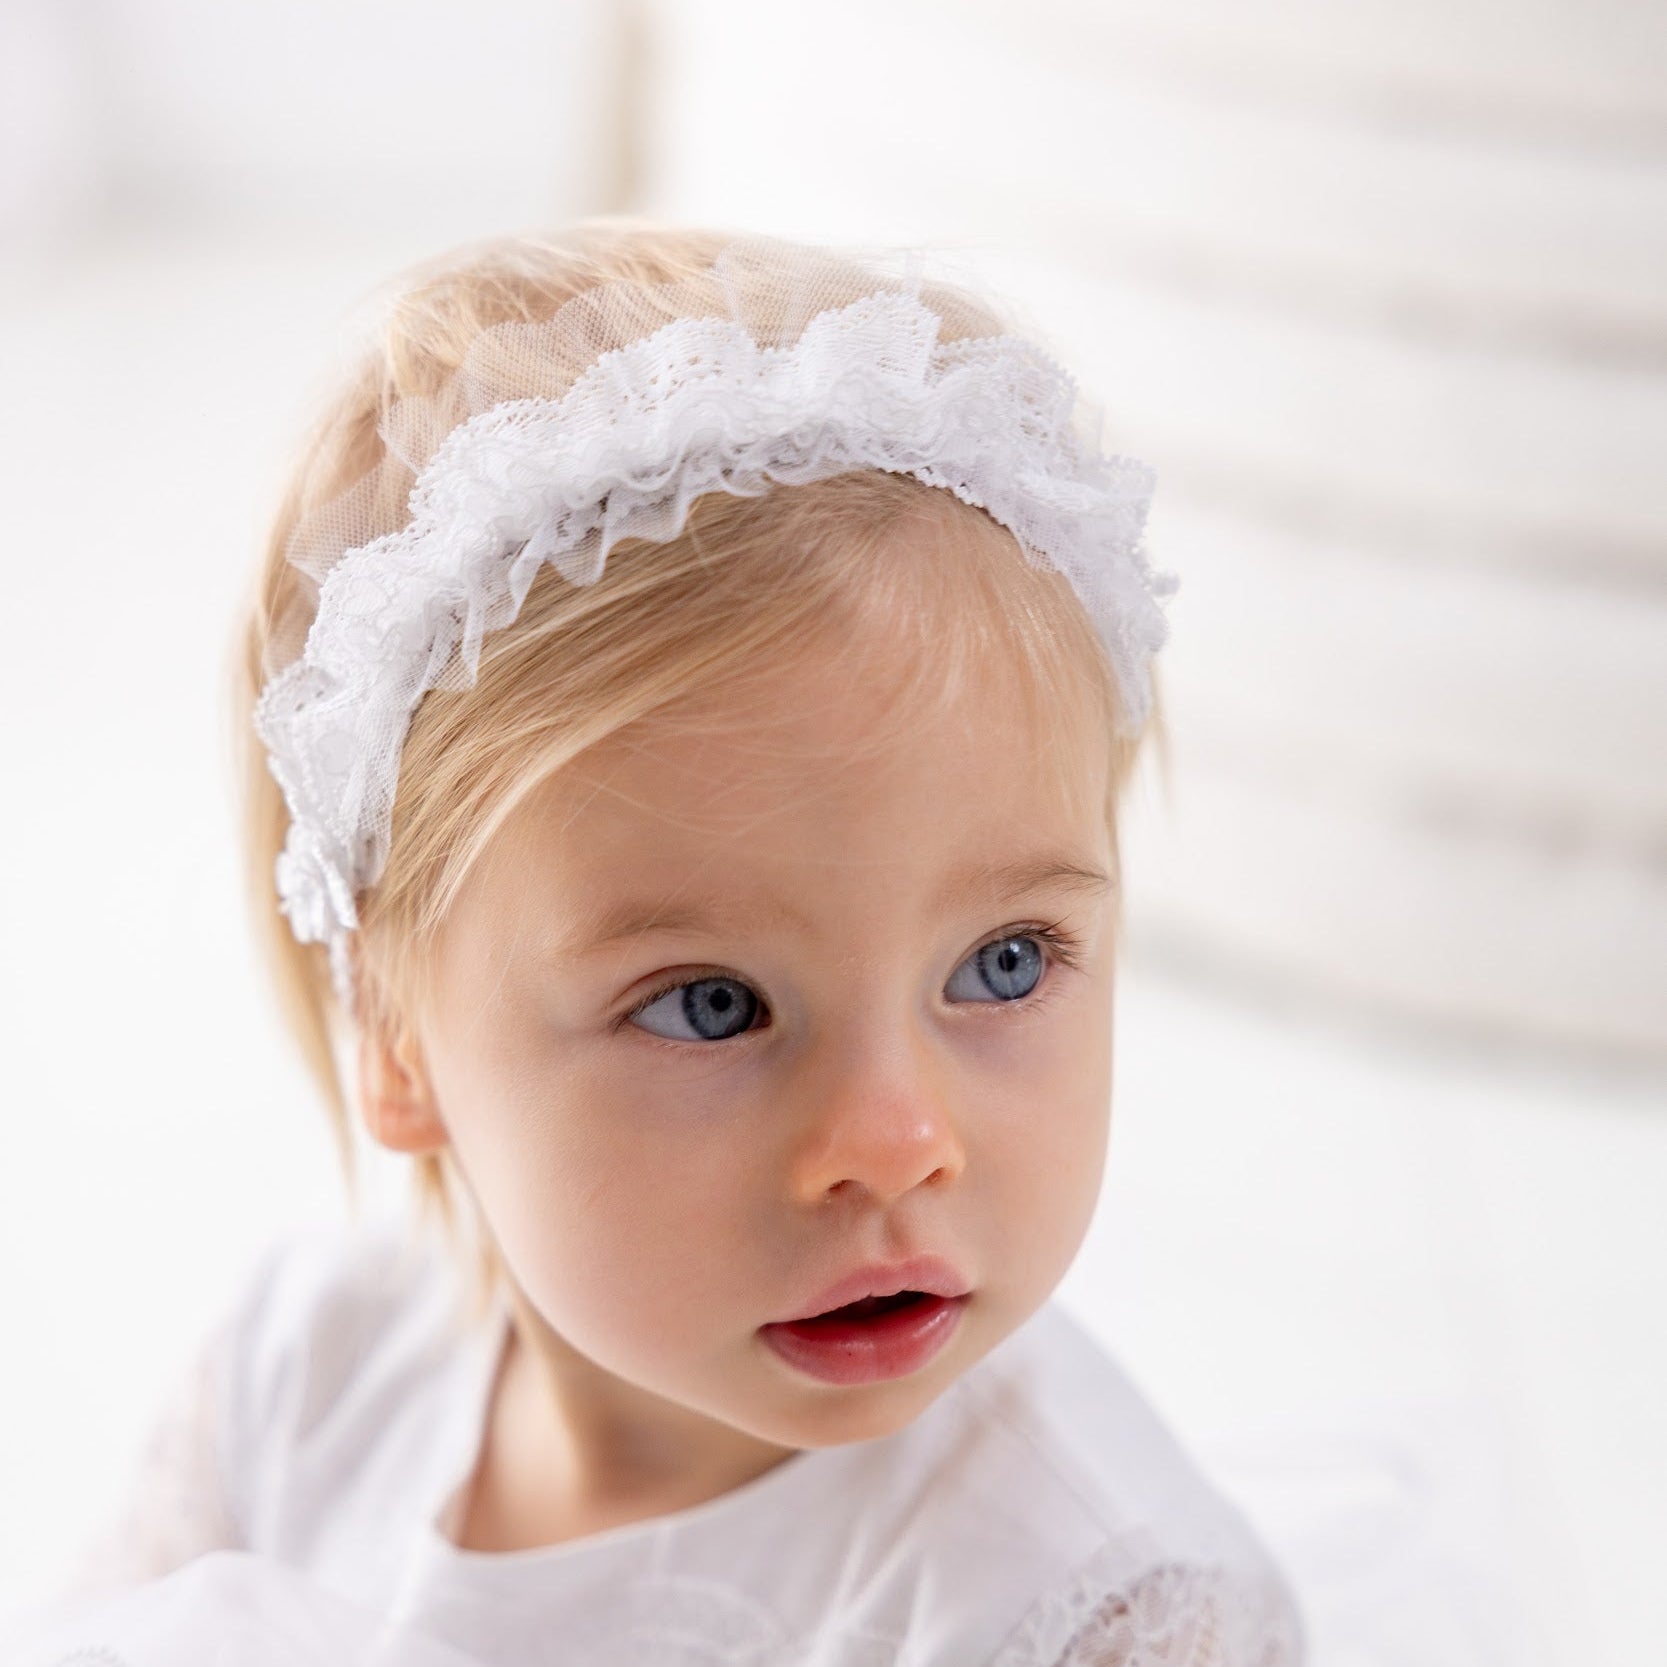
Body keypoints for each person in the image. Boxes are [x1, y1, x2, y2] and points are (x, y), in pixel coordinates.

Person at [9, 219, 1307, 1665]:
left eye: (1003, 963)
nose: (894, 1141)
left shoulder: (1099, 1612)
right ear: (394, 1031)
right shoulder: (302, 1379)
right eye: (709, 1005)